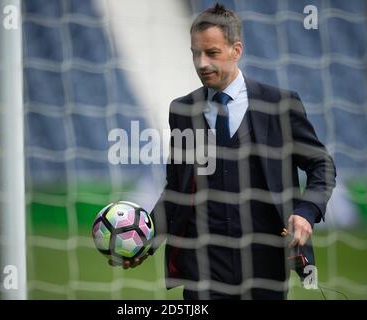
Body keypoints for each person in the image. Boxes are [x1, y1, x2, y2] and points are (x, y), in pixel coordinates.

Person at [110, 4, 336, 300]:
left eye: (212, 53)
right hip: (202, 269)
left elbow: (322, 165)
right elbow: (176, 191)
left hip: (265, 268)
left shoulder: (280, 104)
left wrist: (305, 213)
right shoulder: (183, 110)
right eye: (195, 53)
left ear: (236, 50)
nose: (201, 63)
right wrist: (144, 241)